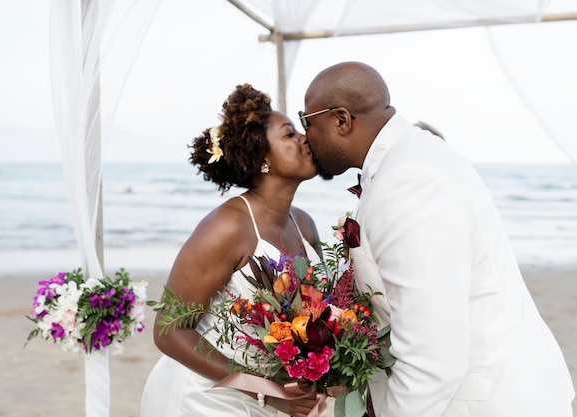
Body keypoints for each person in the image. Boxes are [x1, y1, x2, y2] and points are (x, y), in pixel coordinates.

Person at [300, 61, 575, 416]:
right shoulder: (405, 161)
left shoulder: (409, 179)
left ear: (341, 120)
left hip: (485, 402)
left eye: (308, 121)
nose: (306, 135)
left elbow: (432, 358)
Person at [140, 84, 321, 417]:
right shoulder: (227, 226)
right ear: (262, 159)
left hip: (275, 398)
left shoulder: (305, 225)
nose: (305, 138)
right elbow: (169, 330)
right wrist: (267, 391)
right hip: (204, 398)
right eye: (289, 135)